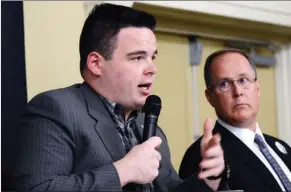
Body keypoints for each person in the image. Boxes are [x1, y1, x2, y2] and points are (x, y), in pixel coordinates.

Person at [14, 3, 227, 192]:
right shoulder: (56, 109)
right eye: (137, 58)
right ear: (96, 64)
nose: (152, 68)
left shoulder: (147, 124)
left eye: (152, 57)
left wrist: (209, 178)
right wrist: (123, 171)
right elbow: (36, 188)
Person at [179, 48, 291, 192]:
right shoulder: (204, 156)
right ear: (210, 96)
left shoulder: (281, 147)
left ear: (257, 88)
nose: (238, 92)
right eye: (224, 84)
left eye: (243, 80)